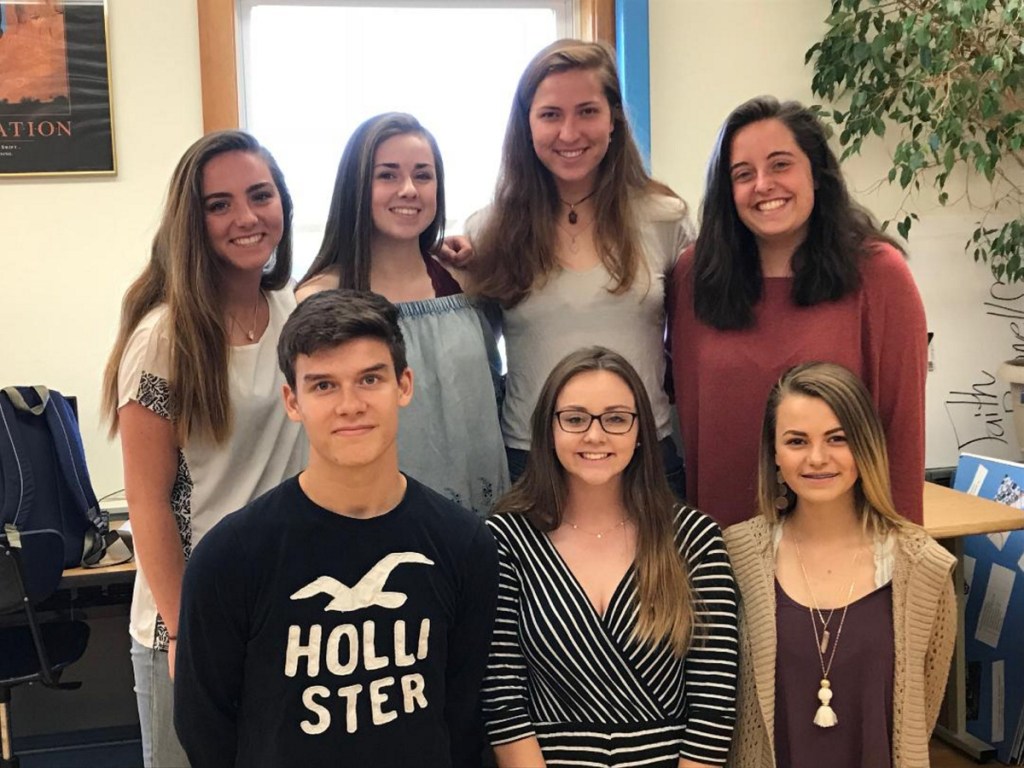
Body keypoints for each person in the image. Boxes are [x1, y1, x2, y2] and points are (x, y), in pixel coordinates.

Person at [173, 289, 499, 768]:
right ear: (293, 400)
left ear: (403, 386)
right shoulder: (231, 556)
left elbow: (466, 717)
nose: (350, 405)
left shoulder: (463, 544)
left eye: (370, 379)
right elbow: (204, 725)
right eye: (324, 385)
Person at [100, 131, 306, 767]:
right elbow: (149, 500)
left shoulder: (291, 311)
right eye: (219, 204)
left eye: (260, 195)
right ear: (193, 221)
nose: (246, 217)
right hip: (191, 620)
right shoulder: (165, 337)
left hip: (281, 614)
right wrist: (187, 630)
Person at [444, 39, 694, 494]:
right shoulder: (489, 229)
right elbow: (467, 353)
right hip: (531, 461)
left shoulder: (665, 217)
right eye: (550, 114)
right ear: (527, 124)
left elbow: (698, 342)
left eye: (587, 111)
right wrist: (447, 270)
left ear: (614, 119)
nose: (569, 133)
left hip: (645, 457)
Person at [670, 96, 927, 528]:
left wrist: (902, 553)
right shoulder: (694, 277)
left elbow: (901, 431)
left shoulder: (880, 276)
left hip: (845, 554)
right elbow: (684, 421)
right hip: (722, 546)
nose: (763, 184)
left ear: (817, 173)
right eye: (743, 174)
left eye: (781, 165)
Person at [481, 346, 738, 767]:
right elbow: (503, 699)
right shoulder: (506, 540)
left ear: (641, 432)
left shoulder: (694, 539)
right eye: (575, 418)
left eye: (616, 419)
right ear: (548, 430)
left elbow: (712, 709)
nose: (595, 435)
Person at [724, 362, 955, 767]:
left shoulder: (923, 567)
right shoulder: (736, 556)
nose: (817, 458)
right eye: (796, 441)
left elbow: (924, 705)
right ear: (773, 454)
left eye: (838, 438)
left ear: (865, 446)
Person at [297, 112, 507, 514]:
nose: (409, 189)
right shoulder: (318, 298)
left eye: (423, 176)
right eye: (388, 175)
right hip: (374, 516)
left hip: (482, 515)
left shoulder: (466, 281)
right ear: (357, 187)